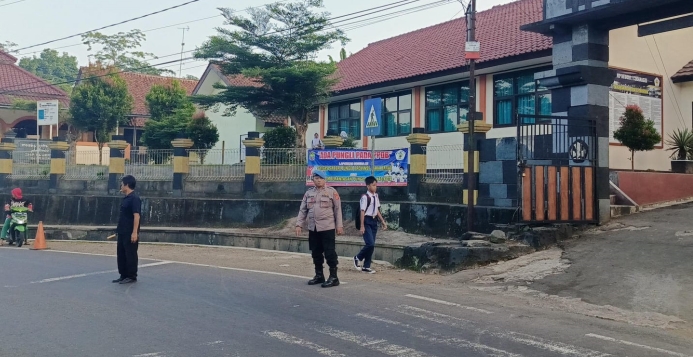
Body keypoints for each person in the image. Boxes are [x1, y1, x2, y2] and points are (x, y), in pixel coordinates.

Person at [296, 170, 344, 288]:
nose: (318, 180)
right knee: (316, 252)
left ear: (325, 180)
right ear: (313, 180)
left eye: (321, 178)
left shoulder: (332, 192)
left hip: (327, 227)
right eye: (316, 178)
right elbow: (303, 210)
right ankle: (319, 275)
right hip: (313, 228)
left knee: (329, 252)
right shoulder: (309, 193)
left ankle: (334, 277)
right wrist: (299, 224)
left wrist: (339, 225)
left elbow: (338, 210)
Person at [112, 175, 142, 285]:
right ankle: (123, 275)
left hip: (130, 232)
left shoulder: (134, 199)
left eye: (122, 183)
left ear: (127, 185)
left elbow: (136, 216)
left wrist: (134, 232)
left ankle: (131, 276)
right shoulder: (126, 199)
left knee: (130, 254)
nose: (121, 185)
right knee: (121, 254)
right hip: (122, 232)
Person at [354, 176, 387, 273]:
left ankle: (366, 266)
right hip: (366, 221)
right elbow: (362, 211)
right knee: (370, 243)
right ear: (368, 186)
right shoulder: (365, 197)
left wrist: (383, 221)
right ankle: (357, 257)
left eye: (376, 185)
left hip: (374, 221)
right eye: (373, 185)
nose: (375, 187)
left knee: (372, 245)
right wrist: (362, 226)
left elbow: (377, 210)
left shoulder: (376, 196)